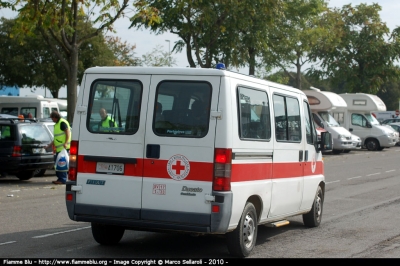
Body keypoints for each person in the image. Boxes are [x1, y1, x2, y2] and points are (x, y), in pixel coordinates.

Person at [48, 111, 71, 185]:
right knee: (60, 164)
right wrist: (49, 146)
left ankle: (62, 179)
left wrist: (66, 142)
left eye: (52, 118)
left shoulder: (62, 123)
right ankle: (61, 178)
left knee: (61, 164)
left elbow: (67, 132)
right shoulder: (57, 124)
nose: (52, 120)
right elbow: (56, 138)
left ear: (55, 117)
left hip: (63, 148)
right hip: (60, 148)